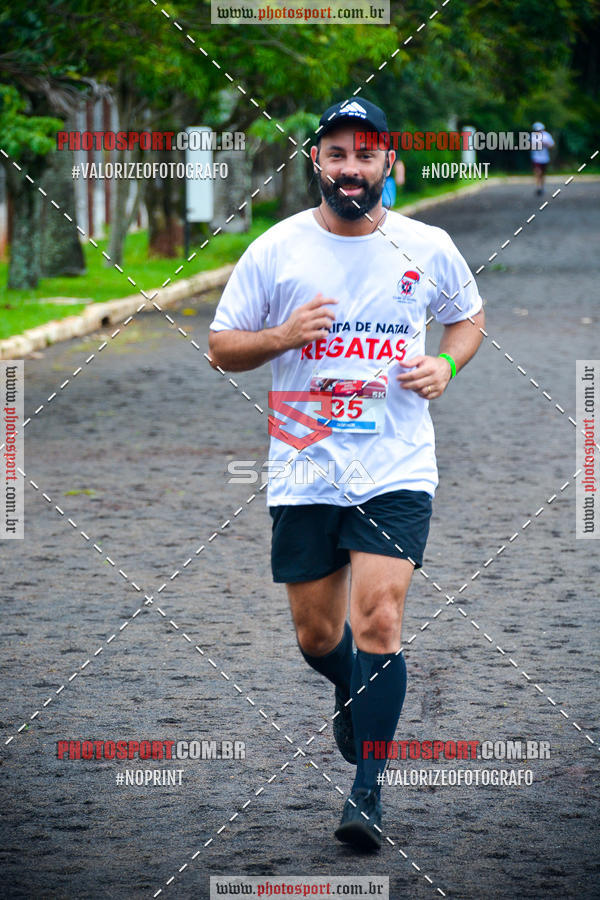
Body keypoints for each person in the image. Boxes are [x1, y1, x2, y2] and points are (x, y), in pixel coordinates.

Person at [208, 99, 485, 850]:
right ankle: (348, 686)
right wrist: (281, 335)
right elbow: (221, 347)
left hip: (396, 466)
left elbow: (468, 316)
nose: (351, 169)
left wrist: (446, 363)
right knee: (317, 634)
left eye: (366, 154)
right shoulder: (277, 249)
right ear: (317, 162)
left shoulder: (426, 245)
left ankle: (367, 792)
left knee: (380, 620)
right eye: (337, 155)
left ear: (389, 161)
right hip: (304, 469)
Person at [531, 121, 555, 196]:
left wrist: (546, 144)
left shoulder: (546, 136)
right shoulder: (532, 136)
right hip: (536, 157)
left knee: (543, 174)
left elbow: (552, 145)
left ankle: (542, 187)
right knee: (537, 172)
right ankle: (538, 187)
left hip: (545, 158)